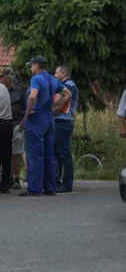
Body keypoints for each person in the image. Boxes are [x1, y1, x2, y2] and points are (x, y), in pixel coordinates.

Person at [22, 56, 72, 197]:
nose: (31, 68)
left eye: (32, 65)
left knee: (35, 154)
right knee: (49, 154)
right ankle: (50, 186)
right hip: (49, 118)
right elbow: (67, 93)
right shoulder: (52, 79)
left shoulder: (36, 79)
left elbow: (32, 96)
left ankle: (35, 188)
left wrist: (28, 110)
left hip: (37, 117)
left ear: (36, 66)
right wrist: (54, 105)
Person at [0, 69, 28, 190]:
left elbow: (27, 107)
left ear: (8, 78)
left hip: (17, 123)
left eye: (2, 76)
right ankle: (8, 178)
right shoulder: (1, 88)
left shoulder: (21, 89)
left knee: (15, 153)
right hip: (4, 123)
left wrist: (23, 123)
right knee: (5, 153)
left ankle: (16, 178)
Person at [53, 65, 79, 193]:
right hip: (63, 122)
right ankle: (58, 182)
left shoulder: (68, 86)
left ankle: (66, 184)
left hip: (62, 121)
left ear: (63, 73)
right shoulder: (68, 85)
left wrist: (47, 112)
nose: (55, 75)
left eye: (56, 73)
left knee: (63, 154)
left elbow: (60, 107)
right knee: (58, 154)